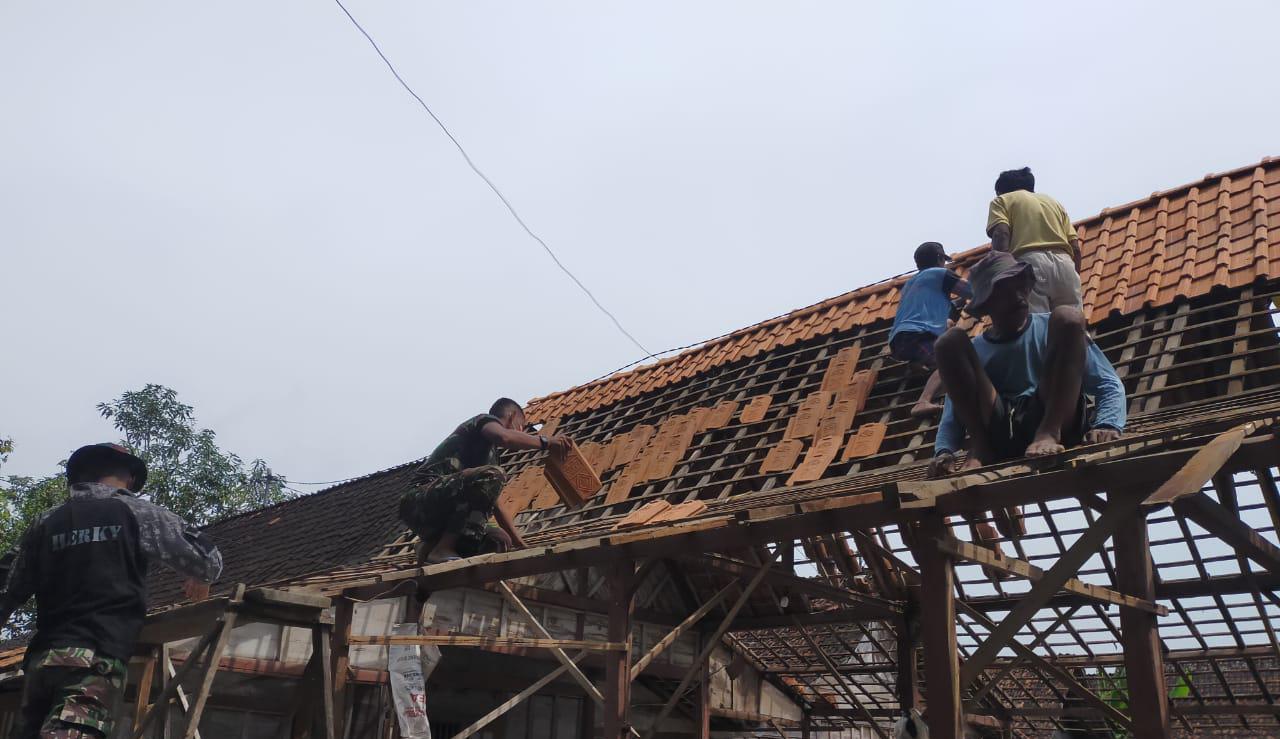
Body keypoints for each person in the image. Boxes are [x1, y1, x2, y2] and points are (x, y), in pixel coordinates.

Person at [0, 443, 223, 739]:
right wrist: (201, 578)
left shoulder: (45, 523)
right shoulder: (138, 512)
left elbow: (7, 588)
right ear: (130, 479)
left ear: (79, 478)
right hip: (95, 659)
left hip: (43, 663)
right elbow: (209, 560)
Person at [928, 253, 1124, 566]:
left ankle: (1049, 430)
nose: (1018, 295)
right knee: (948, 343)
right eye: (1005, 290)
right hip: (998, 431)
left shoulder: (1053, 328)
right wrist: (944, 452)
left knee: (1070, 317)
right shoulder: (978, 348)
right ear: (988, 303)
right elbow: (954, 410)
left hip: (1055, 419)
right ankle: (981, 448)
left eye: (1020, 286)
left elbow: (1109, 384)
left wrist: (1109, 425)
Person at [402, 398, 572, 564]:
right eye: (521, 426)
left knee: (499, 540)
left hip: (442, 514)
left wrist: (520, 543)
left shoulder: (488, 457)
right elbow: (505, 438)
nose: (521, 432)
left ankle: (430, 547)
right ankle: (443, 548)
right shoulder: (483, 421)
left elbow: (494, 503)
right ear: (511, 416)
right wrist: (546, 441)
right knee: (494, 475)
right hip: (420, 499)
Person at [888, 241, 972, 418]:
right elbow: (971, 291)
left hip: (899, 340)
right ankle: (923, 401)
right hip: (918, 335)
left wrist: (957, 307)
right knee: (949, 361)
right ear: (940, 258)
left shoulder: (911, 283)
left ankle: (918, 363)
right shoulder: (940, 274)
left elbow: (944, 308)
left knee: (930, 349)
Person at [986, 167, 1084, 314]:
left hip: (1029, 263)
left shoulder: (1002, 201)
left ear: (1000, 191)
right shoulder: (1054, 203)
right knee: (1073, 325)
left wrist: (1001, 273)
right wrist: (1073, 276)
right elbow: (1075, 247)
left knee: (1037, 325)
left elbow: (1001, 234)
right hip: (1065, 264)